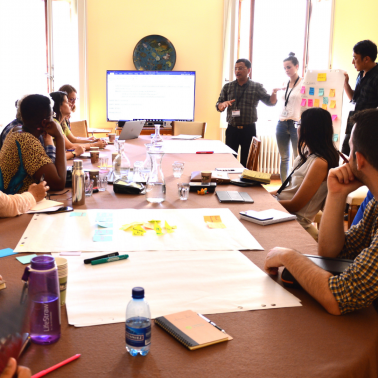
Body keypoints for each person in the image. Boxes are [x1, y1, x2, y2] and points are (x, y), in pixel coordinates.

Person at [265, 108, 378, 315]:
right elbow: (333, 252)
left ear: (359, 160)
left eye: (350, 150)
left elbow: (340, 296)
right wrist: (336, 194)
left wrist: (289, 256)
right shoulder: (375, 203)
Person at [272, 108, 339, 238]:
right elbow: (285, 189)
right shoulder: (306, 154)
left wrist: (266, 203)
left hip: (294, 220)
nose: (297, 128)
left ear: (308, 129)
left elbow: (296, 205)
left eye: (299, 124)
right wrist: (264, 195)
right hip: (282, 211)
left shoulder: (320, 162)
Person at [216, 58, 278, 167]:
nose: (237, 71)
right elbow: (218, 106)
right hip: (232, 130)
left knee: (247, 161)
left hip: (248, 130)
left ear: (249, 70)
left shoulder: (256, 87)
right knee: (230, 160)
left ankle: (244, 183)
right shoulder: (228, 87)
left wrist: (274, 93)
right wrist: (222, 105)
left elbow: (270, 102)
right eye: (235, 69)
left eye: (240, 68)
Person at [0, 94, 66, 194]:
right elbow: (58, 183)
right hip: (15, 204)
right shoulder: (27, 141)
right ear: (44, 123)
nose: (53, 119)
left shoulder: (16, 130)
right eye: (52, 116)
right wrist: (59, 137)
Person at [342, 40, 378, 155]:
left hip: (367, 128)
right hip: (353, 121)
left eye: (355, 58)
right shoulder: (361, 73)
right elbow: (354, 98)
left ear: (366, 59)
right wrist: (346, 84)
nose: (353, 62)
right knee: (346, 153)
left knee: (360, 160)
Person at [0, 96, 56, 163]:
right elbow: (50, 169)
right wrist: (52, 139)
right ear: (43, 121)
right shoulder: (23, 136)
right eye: (51, 115)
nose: (53, 120)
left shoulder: (30, 130)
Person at [276, 53, 302, 182]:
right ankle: (283, 187)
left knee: (298, 156)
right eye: (285, 68)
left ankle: (295, 186)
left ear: (297, 66)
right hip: (281, 122)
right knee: (284, 158)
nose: (286, 70)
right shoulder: (284, 83)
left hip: (296, 123)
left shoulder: (304, 83)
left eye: (289, 67)